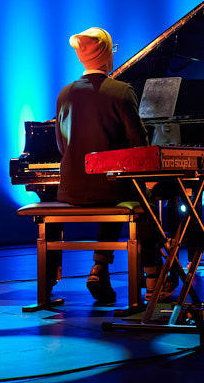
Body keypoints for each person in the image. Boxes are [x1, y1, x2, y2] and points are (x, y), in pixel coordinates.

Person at [55, 27, 175, 304]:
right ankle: (154, 277)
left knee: (119, 190)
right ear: (107, 55)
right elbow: (139, 144)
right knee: (139, 198)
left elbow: (61, 146)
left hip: (71, 189)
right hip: (111, 188)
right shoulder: (121, 92)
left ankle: (100, 267)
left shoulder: (64, 94)